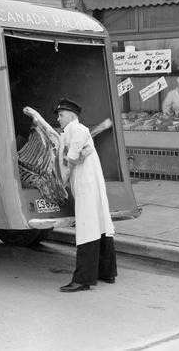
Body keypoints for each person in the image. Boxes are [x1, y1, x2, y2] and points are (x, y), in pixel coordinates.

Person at [54, 98, 117, 293]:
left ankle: (83, 279)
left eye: (61, 115)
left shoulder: (77, 129)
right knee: (100, 225)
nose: (58, 119)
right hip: (91, 184)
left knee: (87, 228)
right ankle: (106, 272)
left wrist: (63, 174)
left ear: (72, 116)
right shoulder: (72, 131)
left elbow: (71, 157)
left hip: (86, 186)